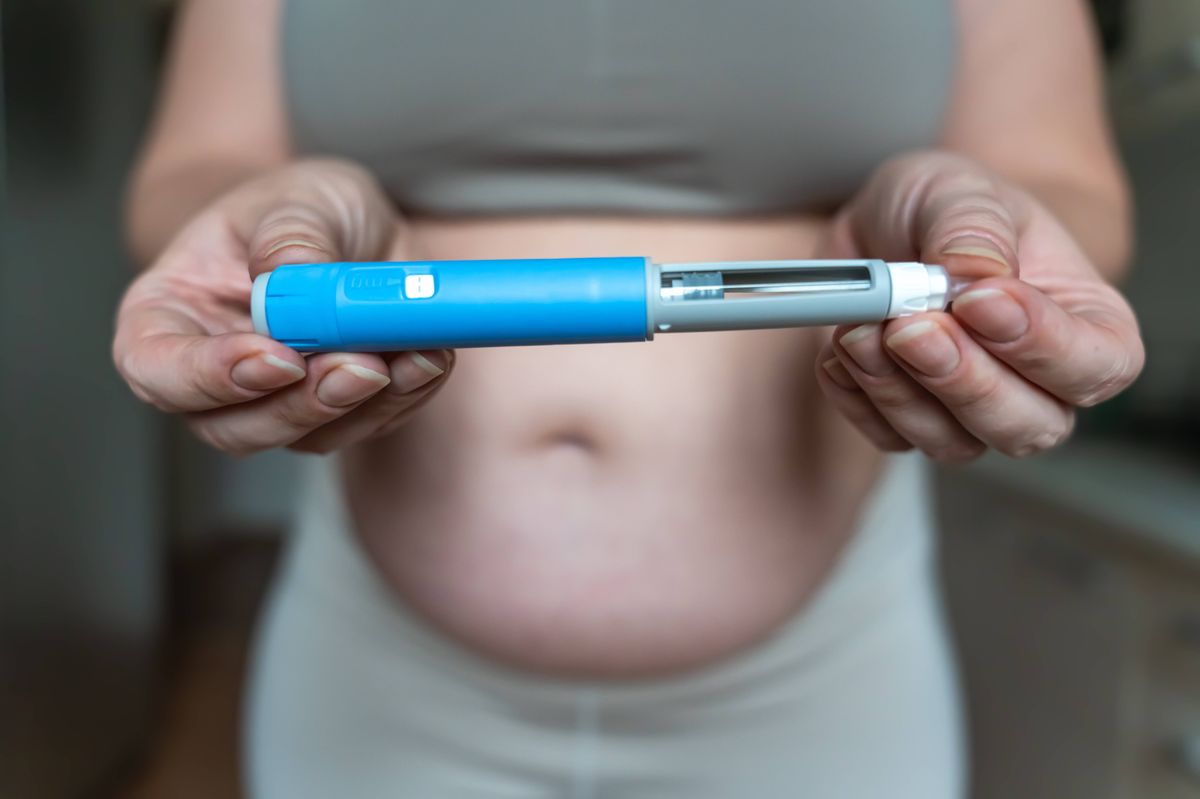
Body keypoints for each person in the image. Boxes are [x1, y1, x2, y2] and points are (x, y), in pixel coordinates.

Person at [112, 0, 1144, 796]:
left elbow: (1069, 186)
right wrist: (263, 212)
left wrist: (987, 228)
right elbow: (197, 162)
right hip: (373, 654)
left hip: (828, 672)